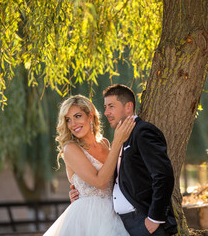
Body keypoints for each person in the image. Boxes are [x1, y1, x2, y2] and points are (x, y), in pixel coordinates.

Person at [70, 85, 177, 236]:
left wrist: (155, 218)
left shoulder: (143, 132)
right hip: (121, 223)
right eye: (105, 107)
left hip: (144, 221)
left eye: (111, 106)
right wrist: (81, 194)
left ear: (128, 107)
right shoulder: (119, 139)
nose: (106, 112)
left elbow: (164, 176)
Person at [44, 95, 135, 236]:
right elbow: (100, 182)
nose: (73, 124)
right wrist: (118, 142)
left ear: (90, 116)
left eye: (78, 116)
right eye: (68, 120)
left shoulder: (105, 144)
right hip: (87, 218)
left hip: (115, 213)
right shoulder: (71, 149)